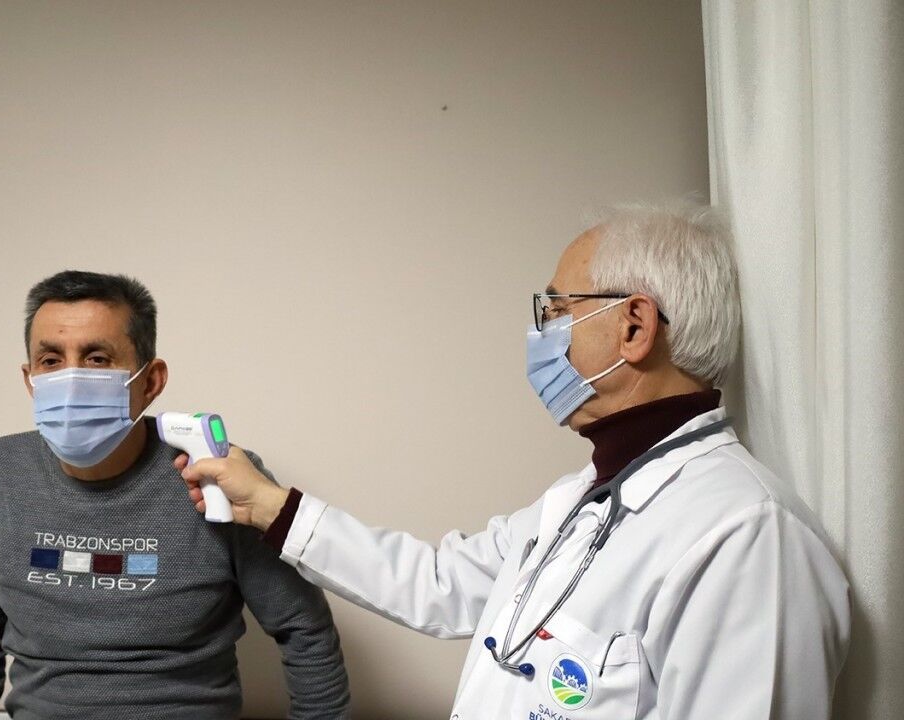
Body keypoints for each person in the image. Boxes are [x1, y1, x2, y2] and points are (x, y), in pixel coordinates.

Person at [178, 202, 851, 719]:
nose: (540, 333)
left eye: (555, 309)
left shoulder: (747, 537)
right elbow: (439, 584)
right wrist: (267, 505)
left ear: (635, 326)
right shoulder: (580, 499)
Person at [0, 271, 350, 720]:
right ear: (30, 378)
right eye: (51, 360)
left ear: (150, 381)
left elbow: (305, 631)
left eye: (97, 358)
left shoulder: (219, 477)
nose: (71, 379)